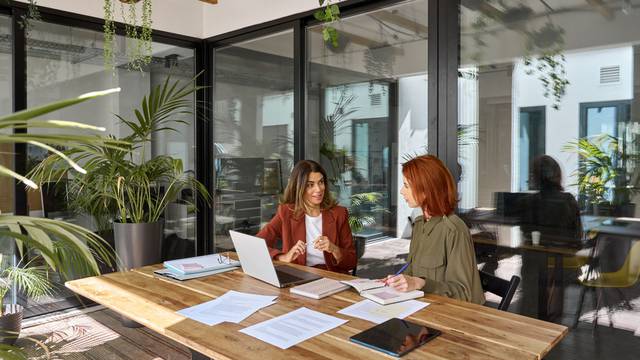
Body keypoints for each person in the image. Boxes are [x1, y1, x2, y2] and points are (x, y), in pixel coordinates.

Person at [384, 155, 485, 304]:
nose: (401, 191)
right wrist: (397, 281)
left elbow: (463, 293)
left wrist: (421, 283)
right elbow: (412, 271)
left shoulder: (454, 229)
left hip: (454, 319)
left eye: (406, 185)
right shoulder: (420, 224)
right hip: (425, 311)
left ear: (426, 189)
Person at [256, 160, 356, 273]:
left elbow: (351, 262)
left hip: (332, 277)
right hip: (298, 276)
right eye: (310, 185)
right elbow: (257, 244)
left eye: (321, 182)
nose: (318, 189)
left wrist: (334, 249)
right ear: (299, 187)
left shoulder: (339, 214)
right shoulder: (286, 213)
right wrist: (284, 257)